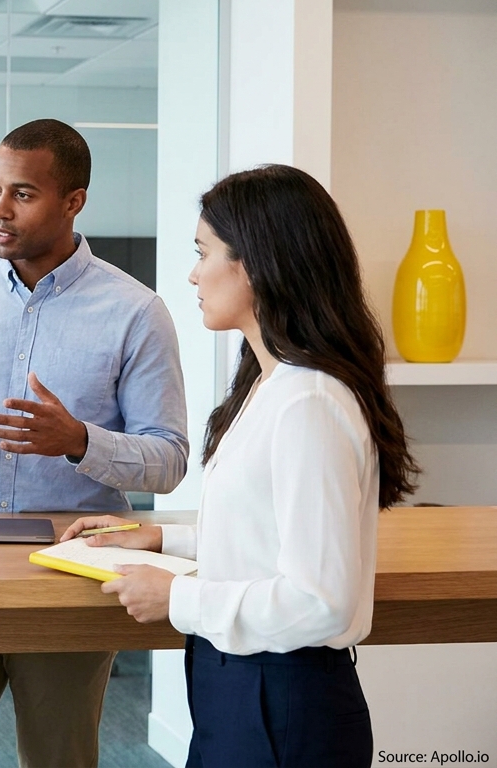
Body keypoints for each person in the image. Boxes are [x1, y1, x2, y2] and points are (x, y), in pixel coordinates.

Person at [63, 164, 419, 768]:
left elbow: (321, 600)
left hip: (282, 696)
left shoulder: (309, 402)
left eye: (204, 253)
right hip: (244, 686)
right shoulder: (273, 385)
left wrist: (178, 597)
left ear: (255, 263)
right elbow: (267, 529)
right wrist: (164, 539)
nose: (194, 273)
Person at [0, 119, 189, 768]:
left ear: (73, 201)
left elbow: (169, 462)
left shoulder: (136, 311)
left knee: (59, 760)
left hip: (72, 571)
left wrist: (79, 441)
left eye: (22, 194)